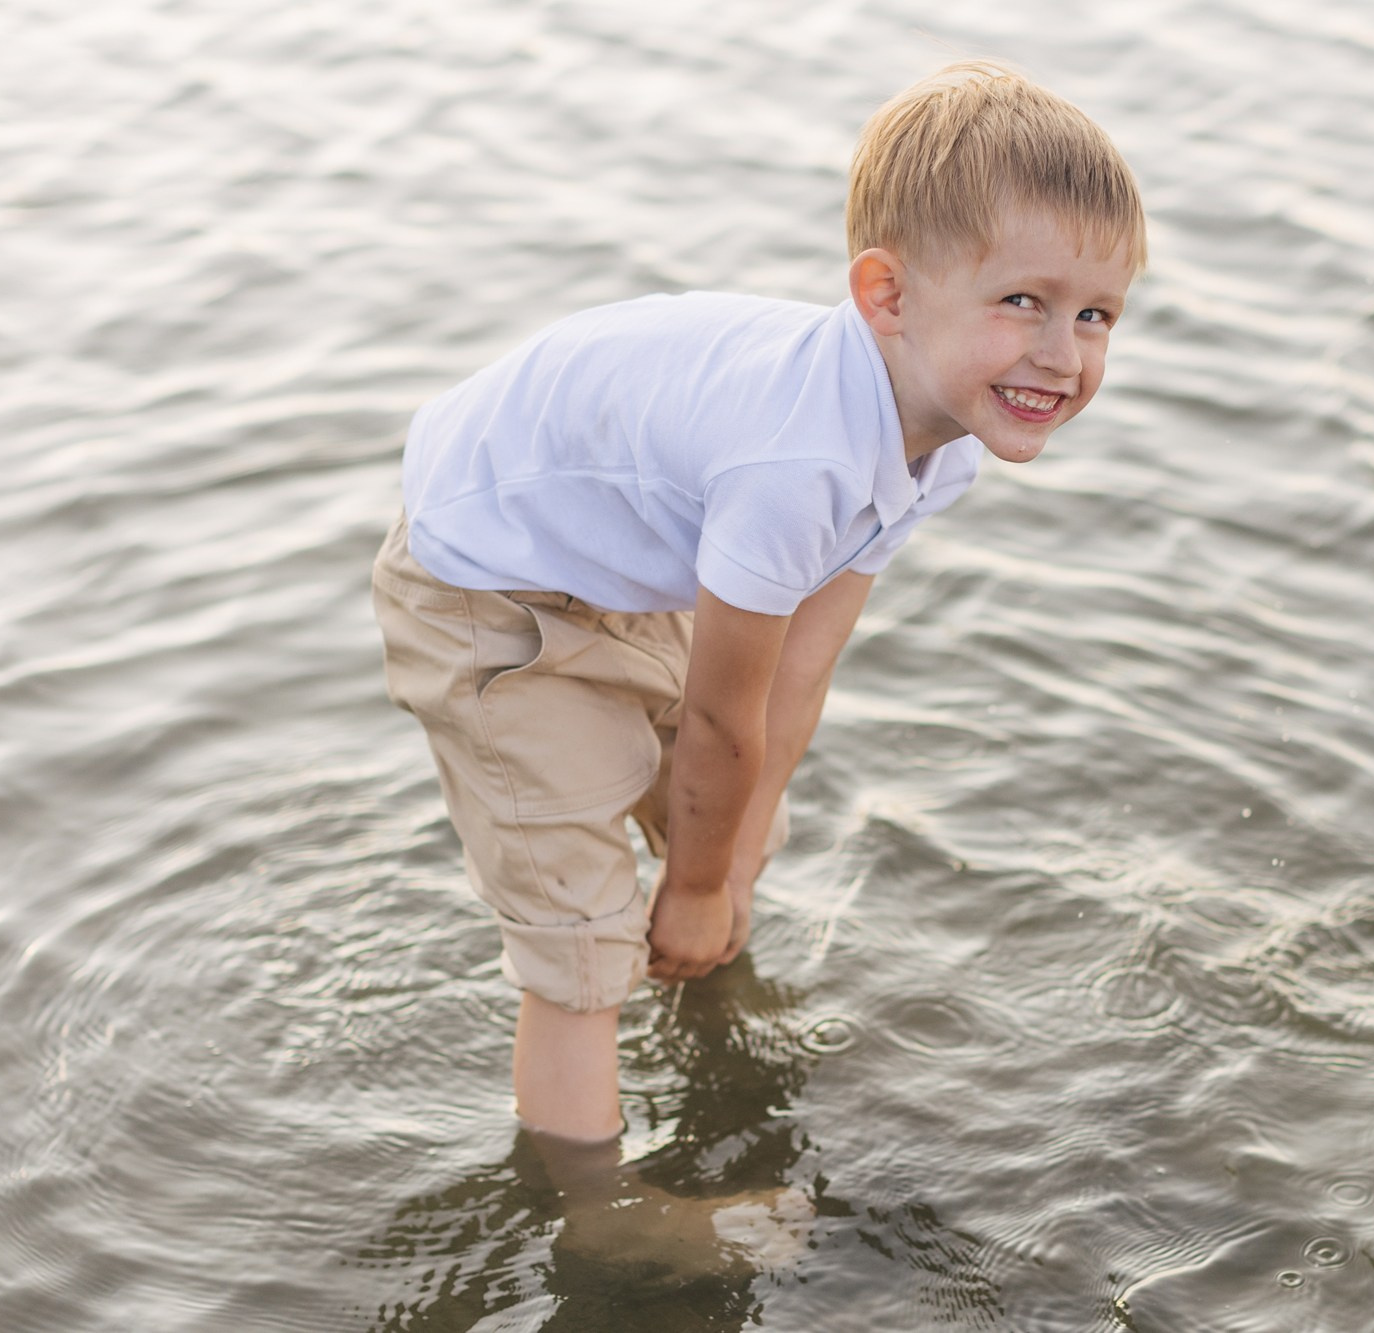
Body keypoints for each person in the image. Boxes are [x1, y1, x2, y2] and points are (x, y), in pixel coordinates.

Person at [371, 57, 1145, 1256]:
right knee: (583, 936)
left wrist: (721, 870)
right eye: (1022, 302)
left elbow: (796, 679)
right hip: (488, 588)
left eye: (1093, 314)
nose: (1062, 353)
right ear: (886, 295)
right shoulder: (799, 459)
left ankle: (705, 977)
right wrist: (684, 881)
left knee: (735, 828)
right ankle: (600, 1211)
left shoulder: (934, 438)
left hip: (625, 562)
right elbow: (728, 718)